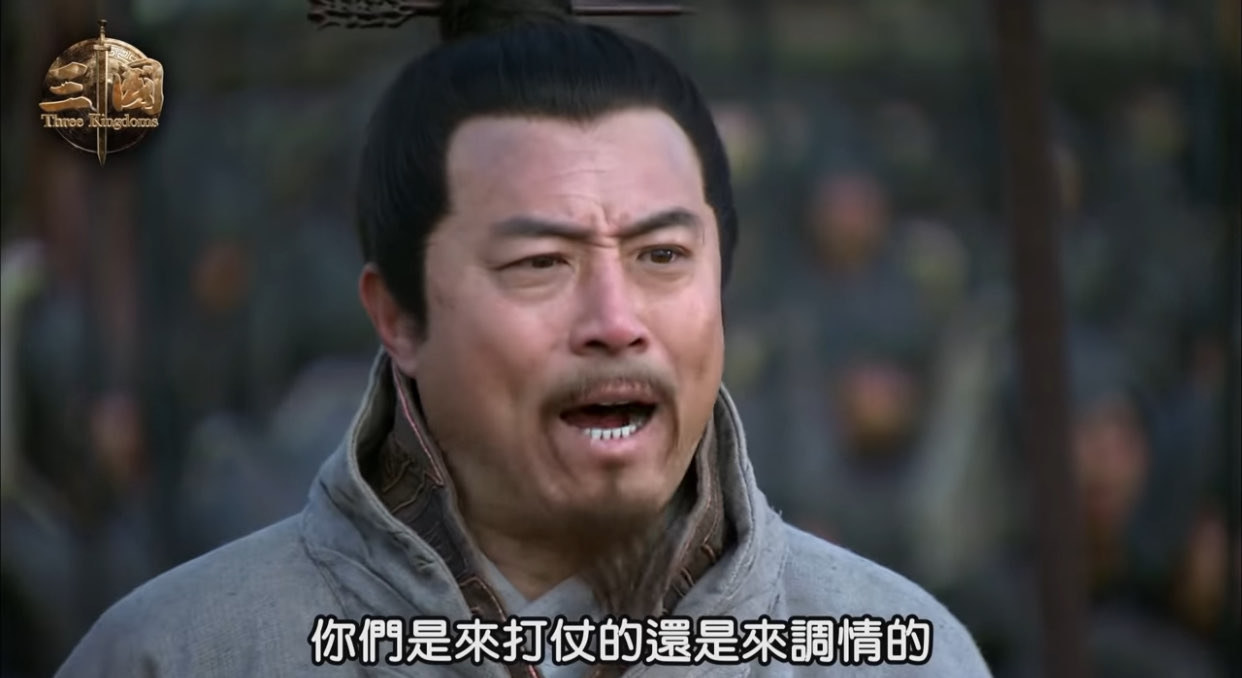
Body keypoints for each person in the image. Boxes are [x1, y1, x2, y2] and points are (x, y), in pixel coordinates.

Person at [55, 1, 991, 675]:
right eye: (541, 263)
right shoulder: (181, 654)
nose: (616, 322)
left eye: (663, 256)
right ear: (398, 316)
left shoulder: (897, 652)